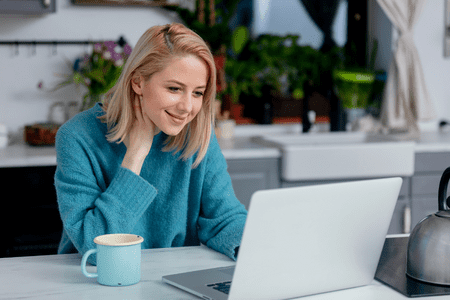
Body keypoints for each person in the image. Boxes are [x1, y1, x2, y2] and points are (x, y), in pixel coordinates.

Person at [54, 23, 247, 264]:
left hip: (171, 277)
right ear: (138, 82)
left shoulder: (197, 134)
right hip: (93, 281)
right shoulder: (77, 137)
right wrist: (136, 154)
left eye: (198, 93)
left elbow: (226, 219)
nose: (187, 107)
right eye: (174, 88)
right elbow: (95, 249)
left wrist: (258, 249)